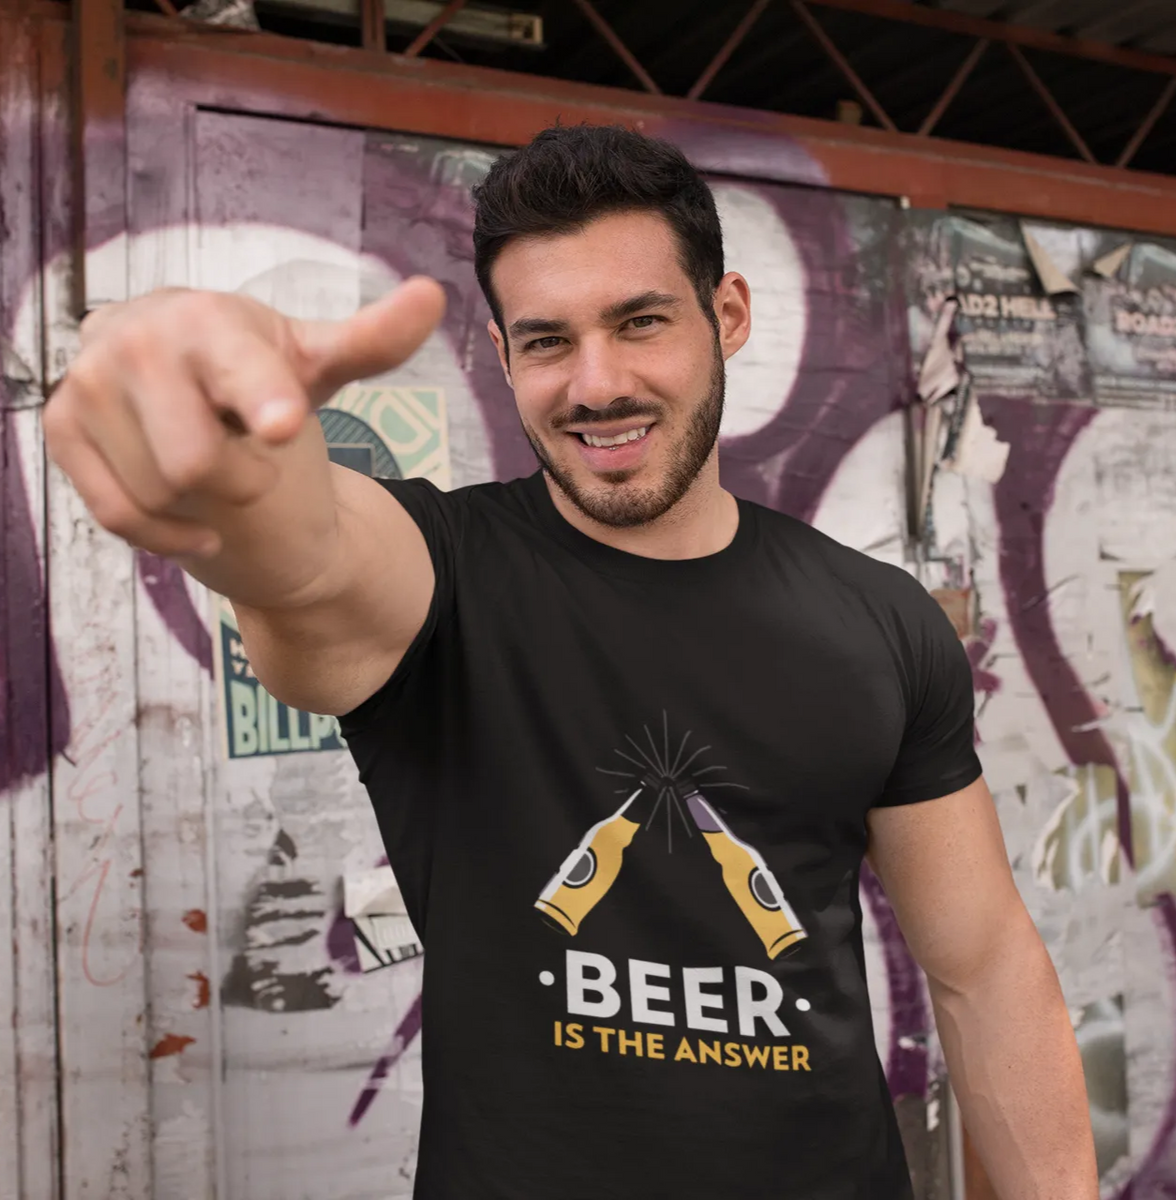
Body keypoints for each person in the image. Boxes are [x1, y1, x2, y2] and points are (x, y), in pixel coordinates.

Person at [46, 123, 1097, 1199]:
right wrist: (234, 466)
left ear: (726, 317)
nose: (597, 385)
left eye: (640, 322)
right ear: (503, 356)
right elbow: (310, 558)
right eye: (547, 341)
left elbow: (985, 972)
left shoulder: (883, 621)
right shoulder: (443, 578)